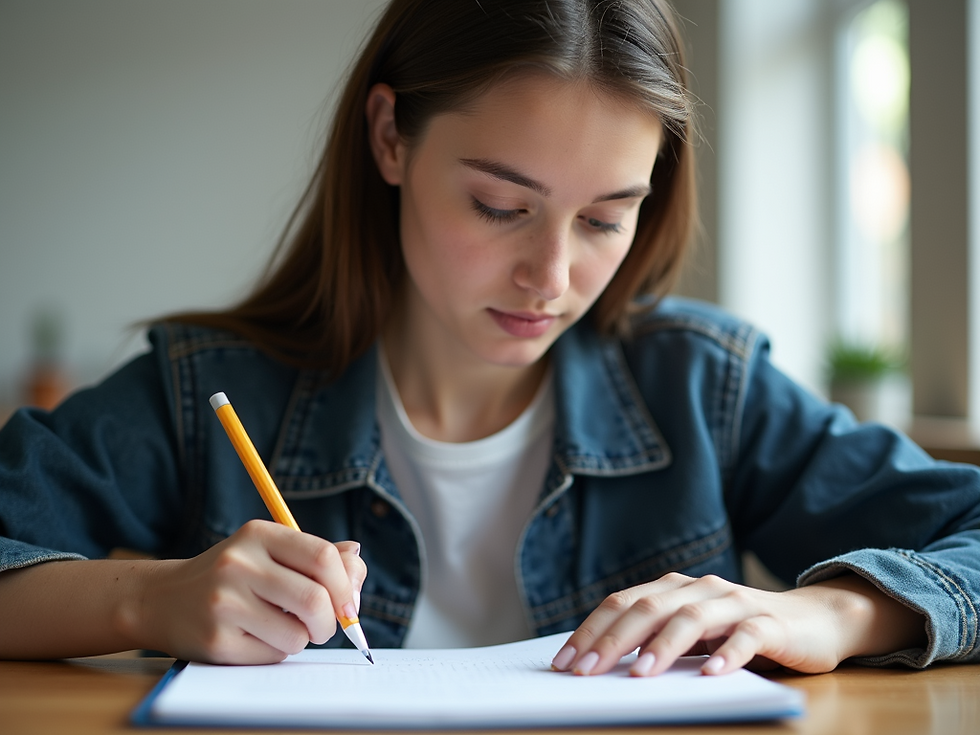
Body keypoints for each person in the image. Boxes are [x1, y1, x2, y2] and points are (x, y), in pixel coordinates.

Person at [1, 0, 978, 679]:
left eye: (604, 218)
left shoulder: (701, 386)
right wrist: (148, 602)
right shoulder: (199, 392)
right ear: (389, 137)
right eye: (500, 205)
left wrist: (830, 614)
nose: (550, 279)